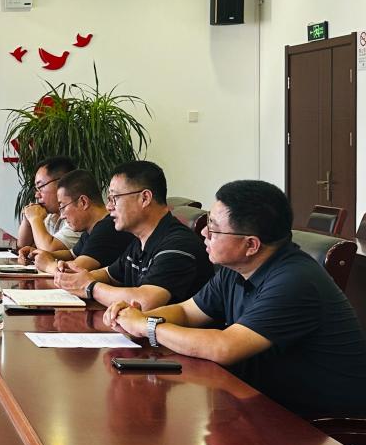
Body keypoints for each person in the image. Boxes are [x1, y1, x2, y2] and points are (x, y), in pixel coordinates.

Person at [105, 179, 366, 418]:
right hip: (264, 403)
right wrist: (133, 317)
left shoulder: (294, 280)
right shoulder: (236, 270)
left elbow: (224, 347)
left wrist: (147, 326)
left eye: (214, 229)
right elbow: (186, 312)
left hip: (321, 425)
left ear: (251, 244)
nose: (204, 234)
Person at [53, 160, 212, 309]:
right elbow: (109, 274)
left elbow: (145, 300)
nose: (109, 207)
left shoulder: (178, 245)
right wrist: (76, 276)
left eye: (115, 198)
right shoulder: (140, 241)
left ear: (145, 198)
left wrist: (90, 287)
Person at [27, 169, 132, 273]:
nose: (62, 216)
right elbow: (71, 254)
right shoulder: (91, 229)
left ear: (83, 202)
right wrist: (39, 254)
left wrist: (48, 265)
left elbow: (73, 271)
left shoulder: (108, 228)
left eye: (63, 207)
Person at [16, 156, 82, 255]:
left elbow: (49, 251)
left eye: (40, 187)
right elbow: (22, 246)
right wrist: (27, 220)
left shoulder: (77, 216)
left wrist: (34, 218)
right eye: (36, 189)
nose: (37, 195)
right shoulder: (51, 216)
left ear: (62, 183)